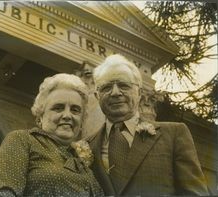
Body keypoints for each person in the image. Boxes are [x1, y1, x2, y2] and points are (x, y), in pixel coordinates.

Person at [89, 54, 209, 196]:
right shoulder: (86, 147)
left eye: (123, 85)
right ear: (97, 96)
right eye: (106, 87)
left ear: (139, 92)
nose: (115, 93)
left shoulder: (174, 134)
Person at [0, 73, 104, 197]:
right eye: (58, 108)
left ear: (82, 121)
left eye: (75, 110)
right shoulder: (23, 140)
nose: (67, 115)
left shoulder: (83, 164)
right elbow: (4, 193)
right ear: (40, 116)